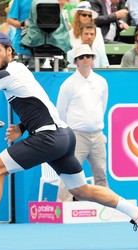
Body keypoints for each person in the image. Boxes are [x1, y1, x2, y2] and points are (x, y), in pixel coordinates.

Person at [0, 31, 138, 250]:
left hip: (49, 137)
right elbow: (40, 104)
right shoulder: (20, 70)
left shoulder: (6, 74)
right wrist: (21, 127)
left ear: (10, 50)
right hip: (65, 137)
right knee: (82, 190)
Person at [56, 44, 109, 202]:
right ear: (76, 61)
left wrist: (93, 124)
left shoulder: (101, 82)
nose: (85, 59)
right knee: (68, 174)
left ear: (93, 59)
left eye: (88, 56)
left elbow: (102, 107)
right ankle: (62, 208)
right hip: (76, 136)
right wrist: (71, 133)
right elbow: (61, 112)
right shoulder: (68, 84)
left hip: (97, 135)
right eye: (81, 57)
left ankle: (106, 208)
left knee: (101, 174)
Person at [6, 0, 32, 65]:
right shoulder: (19, 1)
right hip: (22, 48)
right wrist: (22, 25)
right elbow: (10, 19)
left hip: (45, 50)